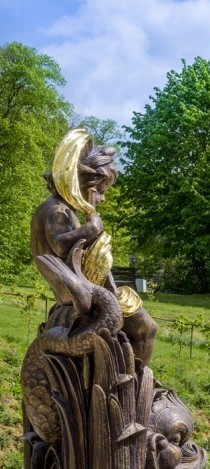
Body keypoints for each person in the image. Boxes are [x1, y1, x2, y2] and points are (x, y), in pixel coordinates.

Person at [30, 128, 157, 367]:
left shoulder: (65, 210)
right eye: (99, 192)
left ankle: (138, 382)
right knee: (145, 329)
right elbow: (59, 246)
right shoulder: (55, 209)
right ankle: (133, 382)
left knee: (146, 328)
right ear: (81, 185)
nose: (101, 199)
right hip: (78, 296)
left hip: (89, 290)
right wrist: (91, 229)